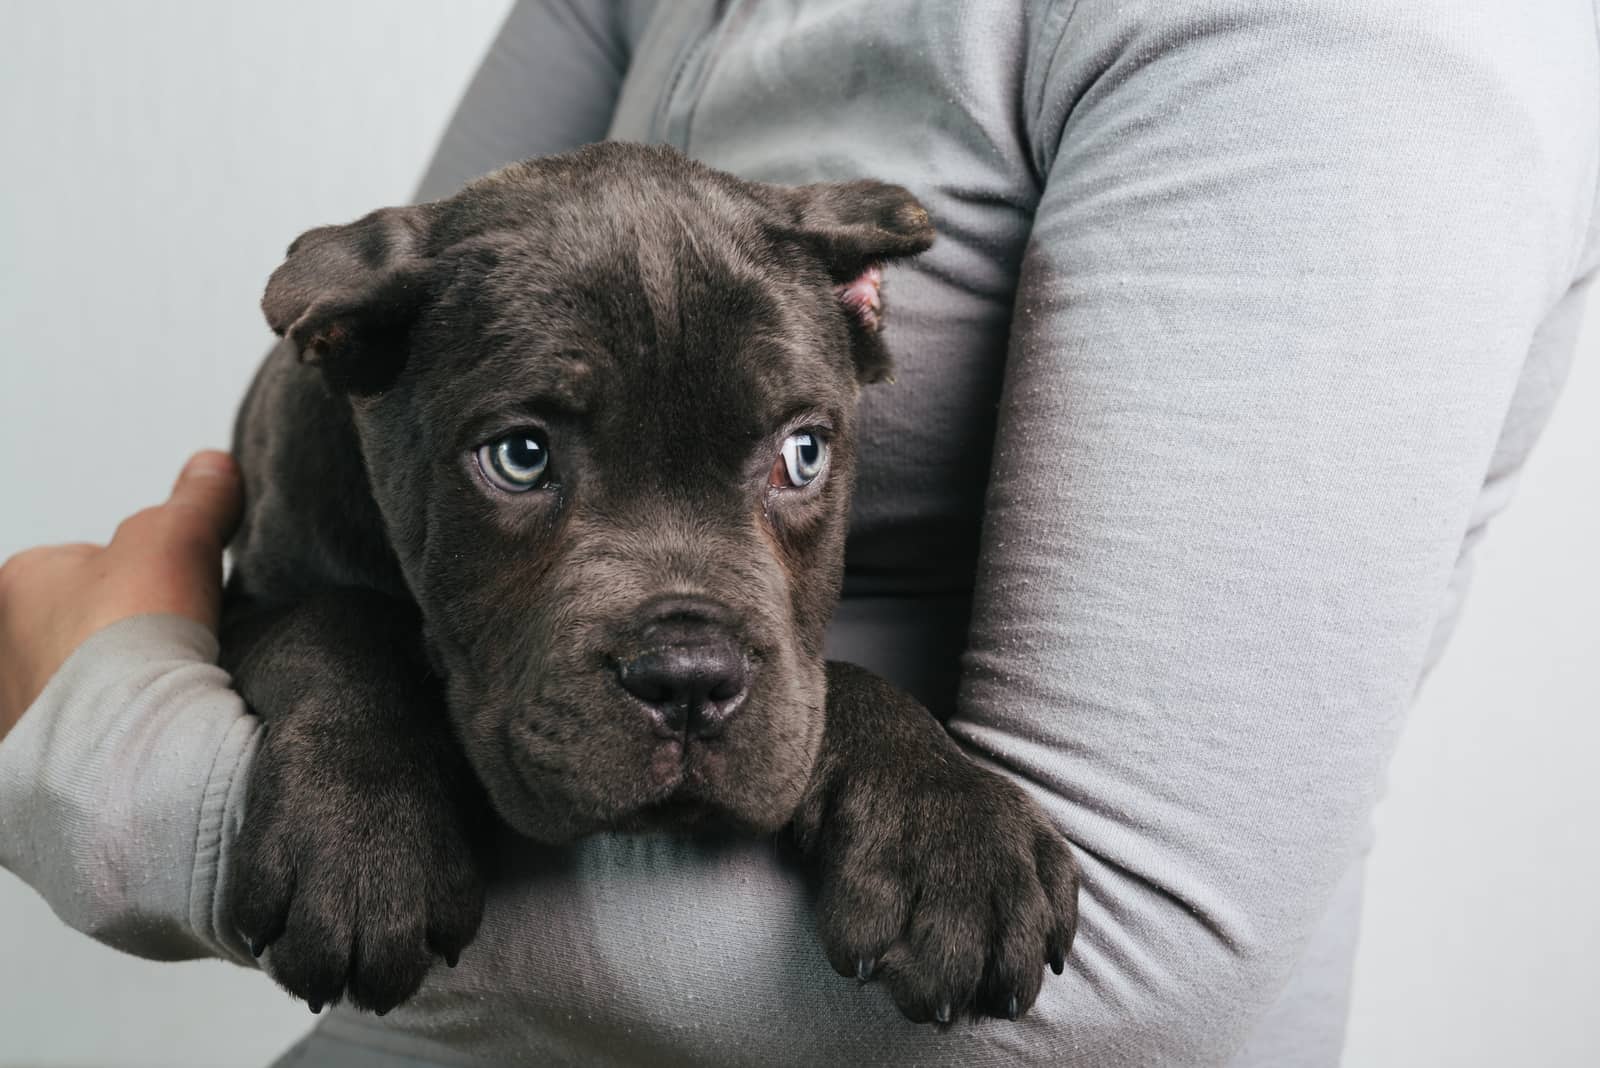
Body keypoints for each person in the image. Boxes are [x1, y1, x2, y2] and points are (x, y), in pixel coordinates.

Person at [2, 1, 1596, 1064]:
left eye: (798, 451)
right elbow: (365, 457)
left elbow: (1129, 971)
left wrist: (129, 749)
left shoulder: (1353, 46)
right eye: (529, 455)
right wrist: (333, 688)